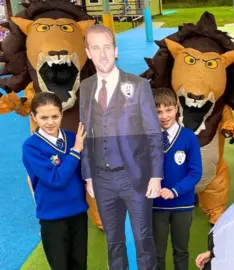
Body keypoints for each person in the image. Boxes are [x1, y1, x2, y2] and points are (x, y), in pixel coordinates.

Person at [79, 25, 163, 270]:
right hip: (102, 178)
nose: (102, 54)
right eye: (96, 48)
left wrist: (156, 175)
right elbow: (85, 134)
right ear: (88, 52)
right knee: (113, 242)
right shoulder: (86, 87)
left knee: (143, 239)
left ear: (115, 51)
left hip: (134, 176)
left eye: (107, 47)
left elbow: (153, 133)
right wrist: (88, 176)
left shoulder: (138, 85)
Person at [22, 92, 88, 270]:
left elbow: (85, 170)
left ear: (62, 114)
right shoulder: (31, 146)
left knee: (80, 264)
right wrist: (75, 152)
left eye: (55, 116)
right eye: (43, 117)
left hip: (78, 212)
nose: (50, 122)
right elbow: (55, 180)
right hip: (52, 217)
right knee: (60, 265)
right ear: (34, 117)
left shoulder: (73, 137)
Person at [151, 87, 202, 270]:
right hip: (156, 206)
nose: (164, 116)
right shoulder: (149, 138)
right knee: (157, 252)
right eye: (158, 112)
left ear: (176, 108)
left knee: (181, 250)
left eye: (168, 110)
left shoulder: (189, 137)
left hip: (183, 205)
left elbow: (195, 172)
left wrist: (175, 191)